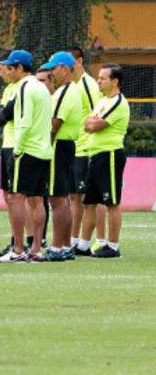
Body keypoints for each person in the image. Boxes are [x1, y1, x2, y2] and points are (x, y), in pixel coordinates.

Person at [0, 50, 52, 262]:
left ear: (20, 68)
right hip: (43, 150)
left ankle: (17, 250)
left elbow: (24, 121)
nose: (8, 71)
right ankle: (36, 250)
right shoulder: (42, 87)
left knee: (16, 198)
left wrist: (18, 150)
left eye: (11, 68)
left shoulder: (25, 87)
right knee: (37, 200)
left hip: (27, 149)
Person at [80, 63, 129, 258]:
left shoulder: (118, 102)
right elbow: (86, 124)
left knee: (111, 202)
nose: (98, 81)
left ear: (114, 81)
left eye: (102, 78)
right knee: (89, 202)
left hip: (109, 155)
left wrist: (91, 123)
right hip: (95, 155)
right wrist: (90, 123)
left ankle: (113, 246)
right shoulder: (102, 101)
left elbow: (93, 126)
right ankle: (83, 245)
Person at [39, 51, 83, 261]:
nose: (51, 73)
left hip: (58, 146)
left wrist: (41, 148)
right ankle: (65, 245)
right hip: (66, 146)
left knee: (57, 199)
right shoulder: (70, 90)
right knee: (62, 198)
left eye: (53, 68)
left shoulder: (65, 92)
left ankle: (56, 247)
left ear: (65, 68)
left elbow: (54, 125)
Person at [66, 46, 106, 255]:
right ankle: (74, 240)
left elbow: (98, 114)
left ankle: (101, 240)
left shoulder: (88, 84)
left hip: (86, 149)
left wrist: (91, 143)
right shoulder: (72, 85)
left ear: (80, 61)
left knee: (91, 198)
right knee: (74, 196)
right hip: (74, 148)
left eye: (69, 62)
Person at [0, 50, 24, 258]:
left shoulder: (23, 87)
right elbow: (1, 116)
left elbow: (4, 116)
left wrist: (4, 115)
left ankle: (26, 242)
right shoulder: (10, 89)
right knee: (9, 196)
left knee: (19, 197)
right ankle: (15, 241)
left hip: (17, 146)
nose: (1, 73)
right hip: (7, 145)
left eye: (1, 69)